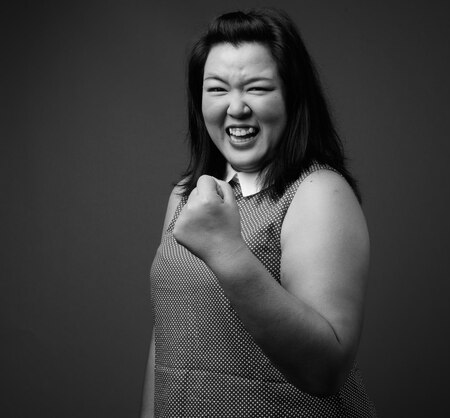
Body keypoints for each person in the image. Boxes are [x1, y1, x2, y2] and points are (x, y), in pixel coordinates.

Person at [141, 8, 376, 417]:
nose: (236, 108)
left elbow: (326, 369)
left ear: (292, 95)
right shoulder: (187, 196)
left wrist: (227, 252)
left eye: (257, 88)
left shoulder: (318, 192)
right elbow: (166, 333)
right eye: (217, 89)